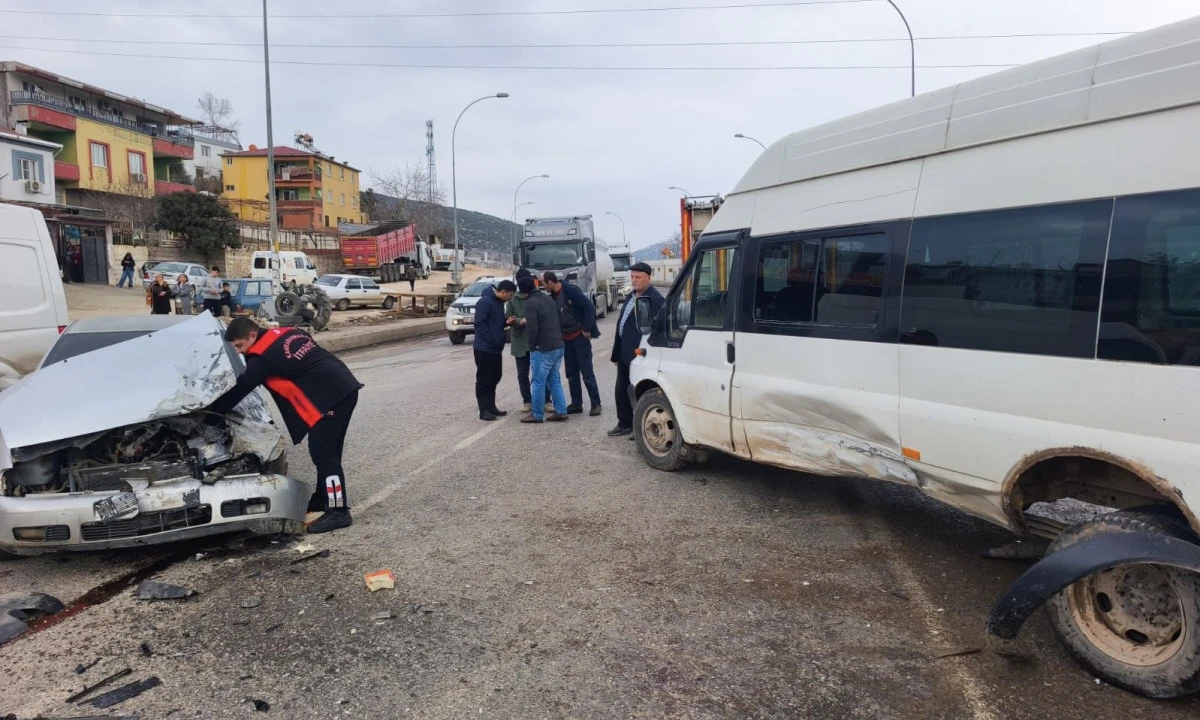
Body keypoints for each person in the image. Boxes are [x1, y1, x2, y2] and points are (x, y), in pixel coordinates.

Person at [208, 317, 364, 534]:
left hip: (332, 397)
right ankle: (322, 498)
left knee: (323, 452)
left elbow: (241, 388)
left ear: (252, 336)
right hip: (344, 386)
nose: (238, 352)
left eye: (239, 346)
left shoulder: (262, 357)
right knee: (329, 450)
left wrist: (211, 414)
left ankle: (339, 511)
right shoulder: (286, 332)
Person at [610, 262, 665, 437]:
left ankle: (639, 427)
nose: (634, 280)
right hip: (625, 352)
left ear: (648, 278)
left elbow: (656, 328)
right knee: (621, 389)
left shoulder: (654, 299)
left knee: (638, 391)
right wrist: (616, 353)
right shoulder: (631, 296)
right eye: (632, 277)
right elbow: (622, 326)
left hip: (641, 353)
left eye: (638, 277)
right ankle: (624, 423)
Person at [542, 272, 602, 417]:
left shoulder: (570, 291)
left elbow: (588, 308)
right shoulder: (552, 297)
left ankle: (596, 404)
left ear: (550, 282)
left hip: (580, 337)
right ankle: (577, 404)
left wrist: (587, 329)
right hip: (566, 340)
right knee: (571, 373)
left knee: (587, 372)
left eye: (544, 283)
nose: (543, 286)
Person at [520, 276, 569, 423]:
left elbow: (532, 327)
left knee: (538, 382)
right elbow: (559, 319)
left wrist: (532, 346)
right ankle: (561, 411)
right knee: (554, 380)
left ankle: (536, 414)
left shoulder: (530, 303)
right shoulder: (548, 298)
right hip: (558, 345)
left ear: (523, 292)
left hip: (543, 348)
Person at [474, 279, 517, 421]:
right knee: (484, 379)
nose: (510, 298)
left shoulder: (498, 303)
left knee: (494, 377)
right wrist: (491, 339)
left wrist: (506, 322)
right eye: (509, 295)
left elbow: (495, 322)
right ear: (503, 292)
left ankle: (491, 406)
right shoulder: (485, 302)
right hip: (484, 348)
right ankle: (484, 410)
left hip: (495, 349)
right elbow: (479, 324)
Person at [506, 270, 534, 413]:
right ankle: (527, 401)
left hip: (536, 342)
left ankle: (546, 400)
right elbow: (508, 317)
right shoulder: (513, 299)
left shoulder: (536, 297)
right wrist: (519, 320)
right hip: (520, 342)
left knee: (540, 374)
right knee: (522, 375)